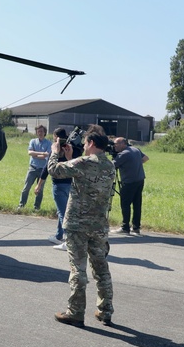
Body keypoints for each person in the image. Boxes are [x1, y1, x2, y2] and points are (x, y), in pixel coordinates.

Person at [46, 127, 116, 327]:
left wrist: (55, 152)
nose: (83, 147)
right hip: (99, 226)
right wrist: (69, 157)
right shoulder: (109, 166)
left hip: (78, 224)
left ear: (92, 143)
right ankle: (105, 310)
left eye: (85, 143)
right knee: (101, 269)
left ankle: (75, 312)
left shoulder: (84, 162)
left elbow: (54, 170)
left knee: (78, 269)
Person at [38, 127, 79, 249]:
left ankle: (67, 240)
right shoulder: (72, 149)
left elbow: (47, 169)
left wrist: (39, 185)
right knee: (63, 210)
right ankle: (58, 236)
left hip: (58, 185)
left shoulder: (55, 151)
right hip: (70, 184)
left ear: (56, 137)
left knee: (62, 213)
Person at [111, 137, 149, 236]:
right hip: (140, 179)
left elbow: (111, 166)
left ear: (123, 144)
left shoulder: (123, 154)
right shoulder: (135, 149)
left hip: (129, 182)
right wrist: (134, 164)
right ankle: (136, 227)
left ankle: (125, 227)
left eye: (116, 144)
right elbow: (145, 158)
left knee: (125, 204)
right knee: (137, 204)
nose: (114, 146)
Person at [18, 125, 51, 210]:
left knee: (39, 189)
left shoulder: (48, 143)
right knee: (26, 187)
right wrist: (42, 153)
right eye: (38, 131)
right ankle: (21, 205)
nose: (40, 133)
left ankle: (37, 207)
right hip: (32, 168)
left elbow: (46, 155)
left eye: (42, 131)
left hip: (42, 169)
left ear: (45, 133)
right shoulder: (32, 141)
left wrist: (36, 154)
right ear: (36, 132)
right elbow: (30, 153)